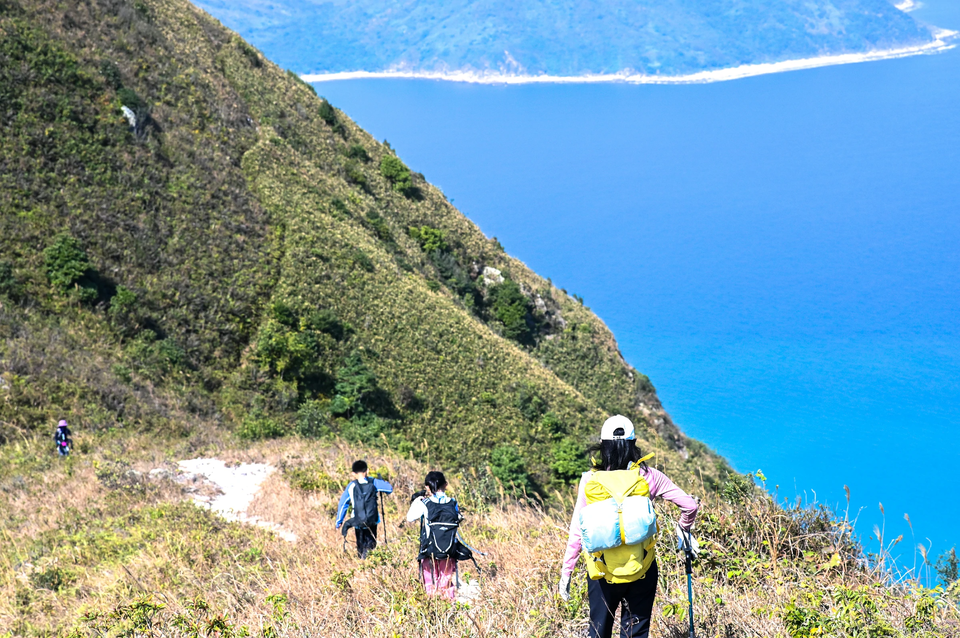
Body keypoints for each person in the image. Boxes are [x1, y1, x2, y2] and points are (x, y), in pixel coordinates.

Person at [559, 415, 699, 638]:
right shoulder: (649, 476)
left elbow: (578, 530)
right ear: (633, 444)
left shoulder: (590, 479)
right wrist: (683, 529)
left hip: (602, 571)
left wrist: (566, 572)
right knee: (636, 632)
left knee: (599, 630)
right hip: (642, 568)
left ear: (603, 446)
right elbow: (690, 506)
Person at [405, 471, 460, 600]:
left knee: (430, 582)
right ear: (445, 484)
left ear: (428, 487)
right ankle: (448, 605)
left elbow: (410, 517)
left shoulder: (425, 503)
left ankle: (432, 607)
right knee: (446, 582)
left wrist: (417, 501)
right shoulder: (453, 503)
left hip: (430, 549)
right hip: (449, 550)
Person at [335, 460, 393, 558]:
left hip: (357, 521)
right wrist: (383, 481)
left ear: (353, 473)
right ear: (367, 471)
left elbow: (343, 504)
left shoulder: (351, 485)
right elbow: (389, 489)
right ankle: (370, 564)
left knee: (361, 546)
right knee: (371, 546)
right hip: (372, 520)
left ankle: (362, 562)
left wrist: (339, 521)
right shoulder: (374, 482)